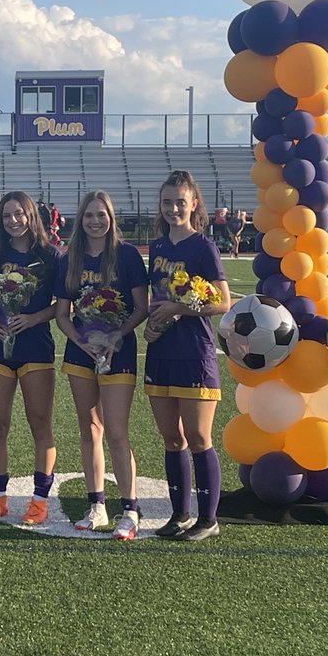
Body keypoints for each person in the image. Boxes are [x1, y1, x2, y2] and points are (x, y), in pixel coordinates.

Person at [53, 191, 150, 538]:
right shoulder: (70, 259)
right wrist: (82, 341)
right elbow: (63, 314)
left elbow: (141, 307)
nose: (95, 221)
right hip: (81, 352)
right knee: (88, 428)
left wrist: (115, 335)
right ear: (80, 220)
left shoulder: (125, 255)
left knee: (117, 432)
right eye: (89, 215)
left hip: (119, 351)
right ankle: (96, 505)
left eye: (102, 215)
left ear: (111, 218)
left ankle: (130, 509)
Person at [144, 170, 231, 542]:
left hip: (194, 352)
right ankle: (179, 514)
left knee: (197, 436)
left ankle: (208, 519)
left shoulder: (203, 247)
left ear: (193, 204)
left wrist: (178, 308)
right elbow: (155, 300)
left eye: (180, 202)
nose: (173, 208)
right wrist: (152, 323)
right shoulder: (158, 248)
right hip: (161, 350)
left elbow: (222, 301)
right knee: (171, 438)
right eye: (167, 202)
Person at [0, 191, 60, 526]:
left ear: (30, 216)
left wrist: (35, 317)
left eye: (18, 214)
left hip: (36, 346)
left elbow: (64, 304)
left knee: (40, 424)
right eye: (6, 216)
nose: (13, 221)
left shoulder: (51, 256)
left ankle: (39, 501)